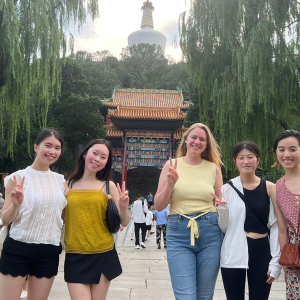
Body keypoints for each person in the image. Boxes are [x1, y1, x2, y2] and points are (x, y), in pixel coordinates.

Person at [154, 122, 223, 300]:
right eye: (193, 137)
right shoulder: (171, 165)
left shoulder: (213, 168)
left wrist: (222, 204)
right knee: (186, 296)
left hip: (210, 231)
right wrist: (170, 185)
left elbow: (220, 204)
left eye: (202, 139)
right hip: (179, 232)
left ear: (207, 144)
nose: (197, 142)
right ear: (185, 140)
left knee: (205, 296)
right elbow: (159, 206)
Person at [0, 128, 66, 300]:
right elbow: (6, 220)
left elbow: (62, 216)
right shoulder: (17, 178)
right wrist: (15, 205)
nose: (52, 152)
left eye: (57, 148)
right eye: (48, 146)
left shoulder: (62, 182)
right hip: (18, 247)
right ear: (36, 147)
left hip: (49, 250)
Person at [64, 139, 130, 300]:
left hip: (103, 252)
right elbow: (61, 218)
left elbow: (125, 222)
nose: (97, 159)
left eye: (103, 157)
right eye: (95, 153)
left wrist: (123, 207)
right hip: (75, 253)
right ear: (85, 153)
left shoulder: (109, 186)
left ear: (106, 162)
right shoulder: (67, 185)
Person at [215, 141, 281, 300]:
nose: (246, 161)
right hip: (233, 248)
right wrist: (222, 210)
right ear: (235, 161)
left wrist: (276, 262)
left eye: (250, 157)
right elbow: (224, 228)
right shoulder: (226, 189)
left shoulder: (270, 188)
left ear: (258, 160)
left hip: (261, 250)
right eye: (241, 157)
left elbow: (276, 226)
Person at [269, 130, 300, 300]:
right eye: (281, 149)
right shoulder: (276, 189)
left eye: (293, 149)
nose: (286, 154)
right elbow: (282, 230)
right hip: (296, 257)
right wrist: (286, 263)